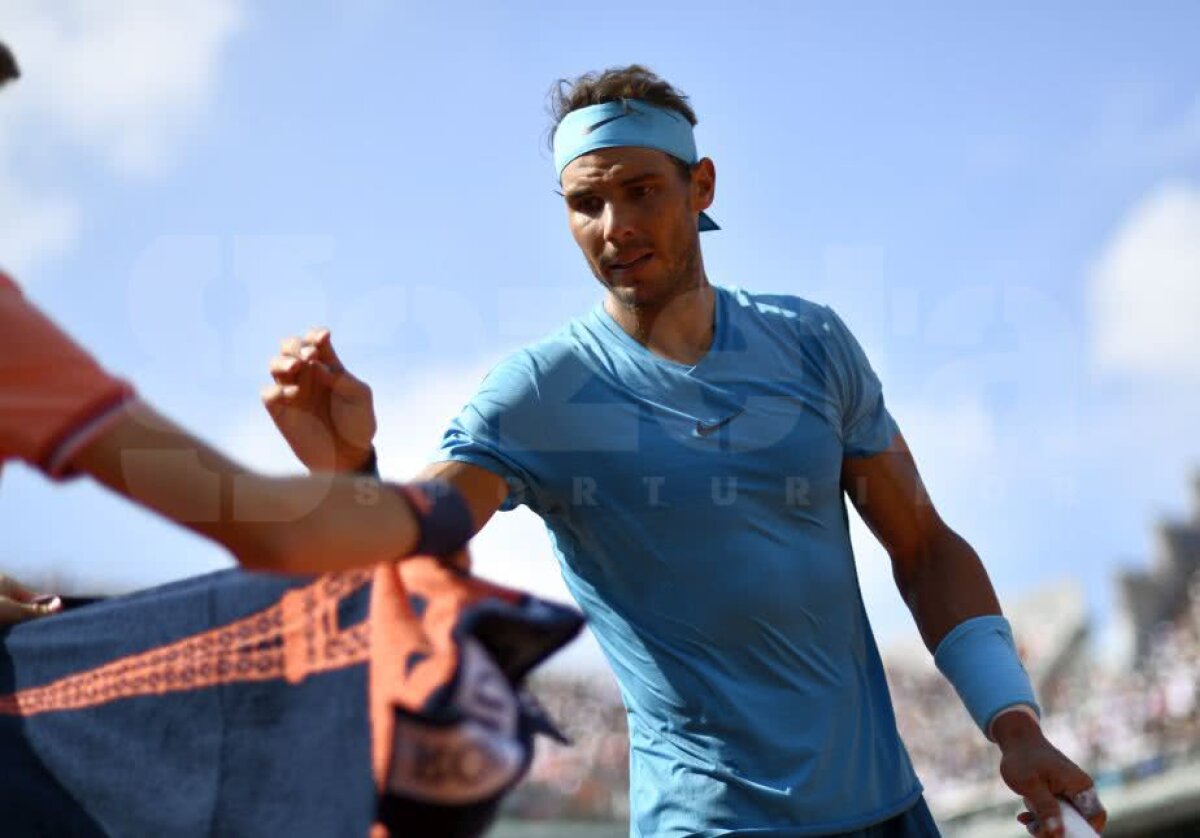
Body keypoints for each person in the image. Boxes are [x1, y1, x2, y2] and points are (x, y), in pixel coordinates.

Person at [265, 66, 1105, 837]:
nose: (615, 226)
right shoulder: (539, 391)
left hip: (888, 814)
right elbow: (418, 542)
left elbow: (923, 547)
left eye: (641, 192)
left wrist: (1013, 724)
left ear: (700, 184)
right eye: (586, 203)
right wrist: (345, 470)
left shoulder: (811, 342)